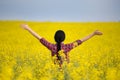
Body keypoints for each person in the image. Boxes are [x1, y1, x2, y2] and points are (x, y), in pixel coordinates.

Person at [20, 24, 103, 68]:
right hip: (66, 72)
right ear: (64, 38)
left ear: (54, 38)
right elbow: (81, 40)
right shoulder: (67, 47)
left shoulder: (51, 47)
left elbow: (40, 38)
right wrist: (93, 33)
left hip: (54, 73)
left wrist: (28, 28)